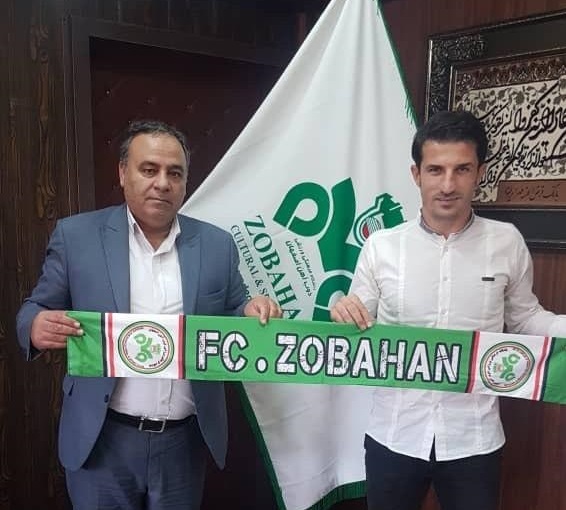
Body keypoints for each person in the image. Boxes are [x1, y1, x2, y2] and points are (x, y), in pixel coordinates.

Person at [16, 119, 281, 510]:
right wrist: (35, 326)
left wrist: (252, 309)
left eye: (175, 173)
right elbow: (35, 308)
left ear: (185, 182)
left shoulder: (217, 245)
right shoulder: (77, 237)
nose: (162, 183)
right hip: (102, 438)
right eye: (149, 169)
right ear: (123, 173)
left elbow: (235, 309)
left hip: (184, 442)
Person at [330, 110, 566, 510]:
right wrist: (344, 310)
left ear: (480, 173)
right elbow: (358, 320)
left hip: (474, 439)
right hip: (394, 435)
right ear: (416, 174)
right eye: (435, 170)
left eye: (462, 169)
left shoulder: (506, 242)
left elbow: (525, 318)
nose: (448, 185)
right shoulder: (382, 246)